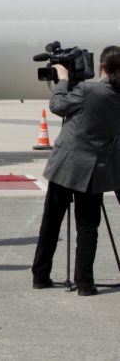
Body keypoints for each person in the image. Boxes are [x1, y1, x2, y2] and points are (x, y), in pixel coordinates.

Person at [32, 46, 120, 296]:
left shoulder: (86, 90)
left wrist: (62, 81)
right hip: (95, 170)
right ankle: (85, 283)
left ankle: (40, 275)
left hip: (67, 166)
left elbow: (58, 105)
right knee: (88, 227)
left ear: (101, 66)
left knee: (51, 222)